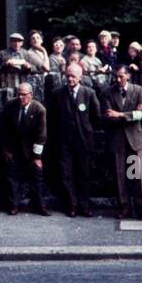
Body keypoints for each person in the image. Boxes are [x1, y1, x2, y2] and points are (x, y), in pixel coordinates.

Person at [49, 62, 100, 217]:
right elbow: (52, 117)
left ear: (80, 77)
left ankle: (84, 205)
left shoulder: (89, 93)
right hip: (64, 141)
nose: (70, 79)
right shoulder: (57, 93)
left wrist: (87, 131)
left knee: (84, 173)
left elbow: (96, 117)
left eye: (73, 76)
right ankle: (72, 205)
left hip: (83, 140)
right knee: (66, 173)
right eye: (67, 76)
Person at [101, 64, 142, 219]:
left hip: (133, 140)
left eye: (121, 76)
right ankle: (124, 207)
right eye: (116, 76)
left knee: (136, 175)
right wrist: (129, 115)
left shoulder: (137, 90)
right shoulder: (108, 92)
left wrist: (120, 115)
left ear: (128, 75)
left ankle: (141, 209)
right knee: (120, 175)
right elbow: (108, 116)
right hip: (117, 140)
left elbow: (141, 114)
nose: (118, 79)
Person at [0, 82, 50, 216]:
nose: (21, 97)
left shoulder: (39, 110)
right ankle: (13, 205)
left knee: (37, 177)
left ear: (31, 95)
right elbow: (3, 129)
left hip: (32, 149)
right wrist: (6, 150)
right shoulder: (10, 105)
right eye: (19, 94)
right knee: (12, 177)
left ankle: (40, 206)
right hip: (14, 148)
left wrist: (37, 157)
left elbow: (41, 135)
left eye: (24, 94)